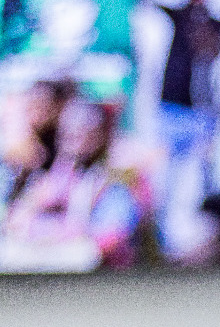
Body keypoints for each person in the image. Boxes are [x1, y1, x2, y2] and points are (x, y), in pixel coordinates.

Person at [4, 98, 151, 270]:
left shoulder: (118, 178)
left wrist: (71, 237)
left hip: (101, 271)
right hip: (54, 258)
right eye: (66, 134)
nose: (71, 142)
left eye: (80, 133)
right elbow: (18, 218)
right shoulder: (57, 176)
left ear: (100, 134)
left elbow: (113, 237)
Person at [138, 0, 220, 165]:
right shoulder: (180, 15)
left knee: (198, 169)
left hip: (200, 112)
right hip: (170, 107)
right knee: (164, 169)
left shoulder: (214, 23)